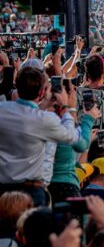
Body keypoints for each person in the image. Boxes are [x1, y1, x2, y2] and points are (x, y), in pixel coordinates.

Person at [0, 67, 87, 206]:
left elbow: (27, 119)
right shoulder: (45, 119)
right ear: (41, 92)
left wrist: (45, 104)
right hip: (32, 193)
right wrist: (66, 107)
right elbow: (73, 137)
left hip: (3, 191)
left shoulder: (2, 109)